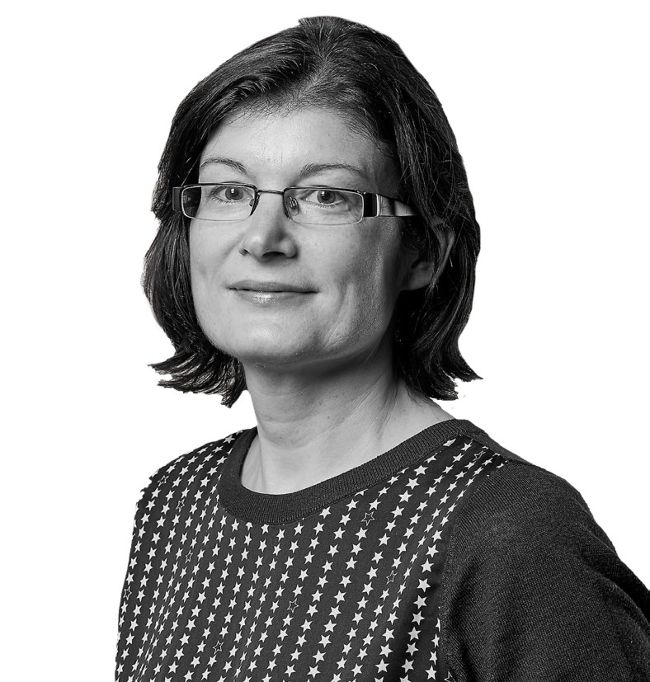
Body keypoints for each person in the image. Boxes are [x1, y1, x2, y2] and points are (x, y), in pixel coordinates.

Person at [115, 15, 650, 681]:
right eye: (229, 191)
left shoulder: (509, 532)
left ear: (422, 251)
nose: (262, 238)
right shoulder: (177, 505)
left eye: (326, 196)